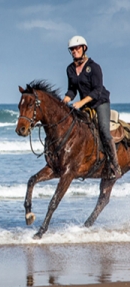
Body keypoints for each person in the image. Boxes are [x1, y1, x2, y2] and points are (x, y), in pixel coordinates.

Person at [62, 35, 122, 179]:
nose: (74, 51)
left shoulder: (94, 67)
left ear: (84, 48)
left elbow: (97, 91)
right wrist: (65, 100)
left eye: (77, 48)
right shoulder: (70, 69)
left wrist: (81, 103)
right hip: (86, 104)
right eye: (72, 49)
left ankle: (115, 165)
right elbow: (72, 89)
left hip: (100, 102)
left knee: (104, 131)